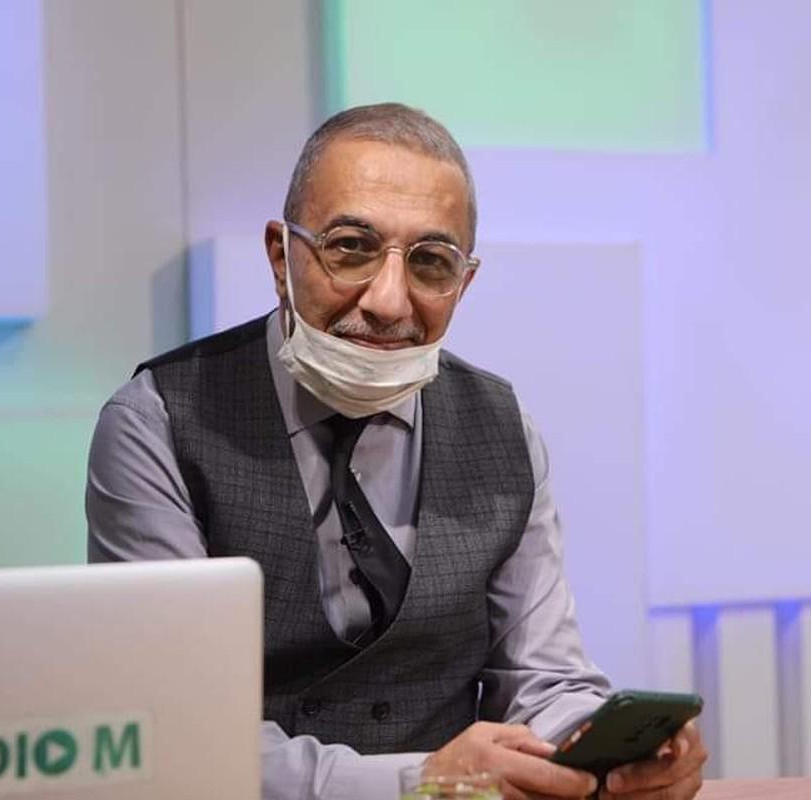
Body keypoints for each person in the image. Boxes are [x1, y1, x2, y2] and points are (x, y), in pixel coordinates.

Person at [86, 102, 706, 800]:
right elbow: (177, 729)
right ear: (281, 257)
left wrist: (604, 748)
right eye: (350, 247)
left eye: (431, 263)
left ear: (463, 283)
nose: (388, 301)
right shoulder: (158, 423)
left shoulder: (503, 430)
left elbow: (543, 680)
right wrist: (417, 782)